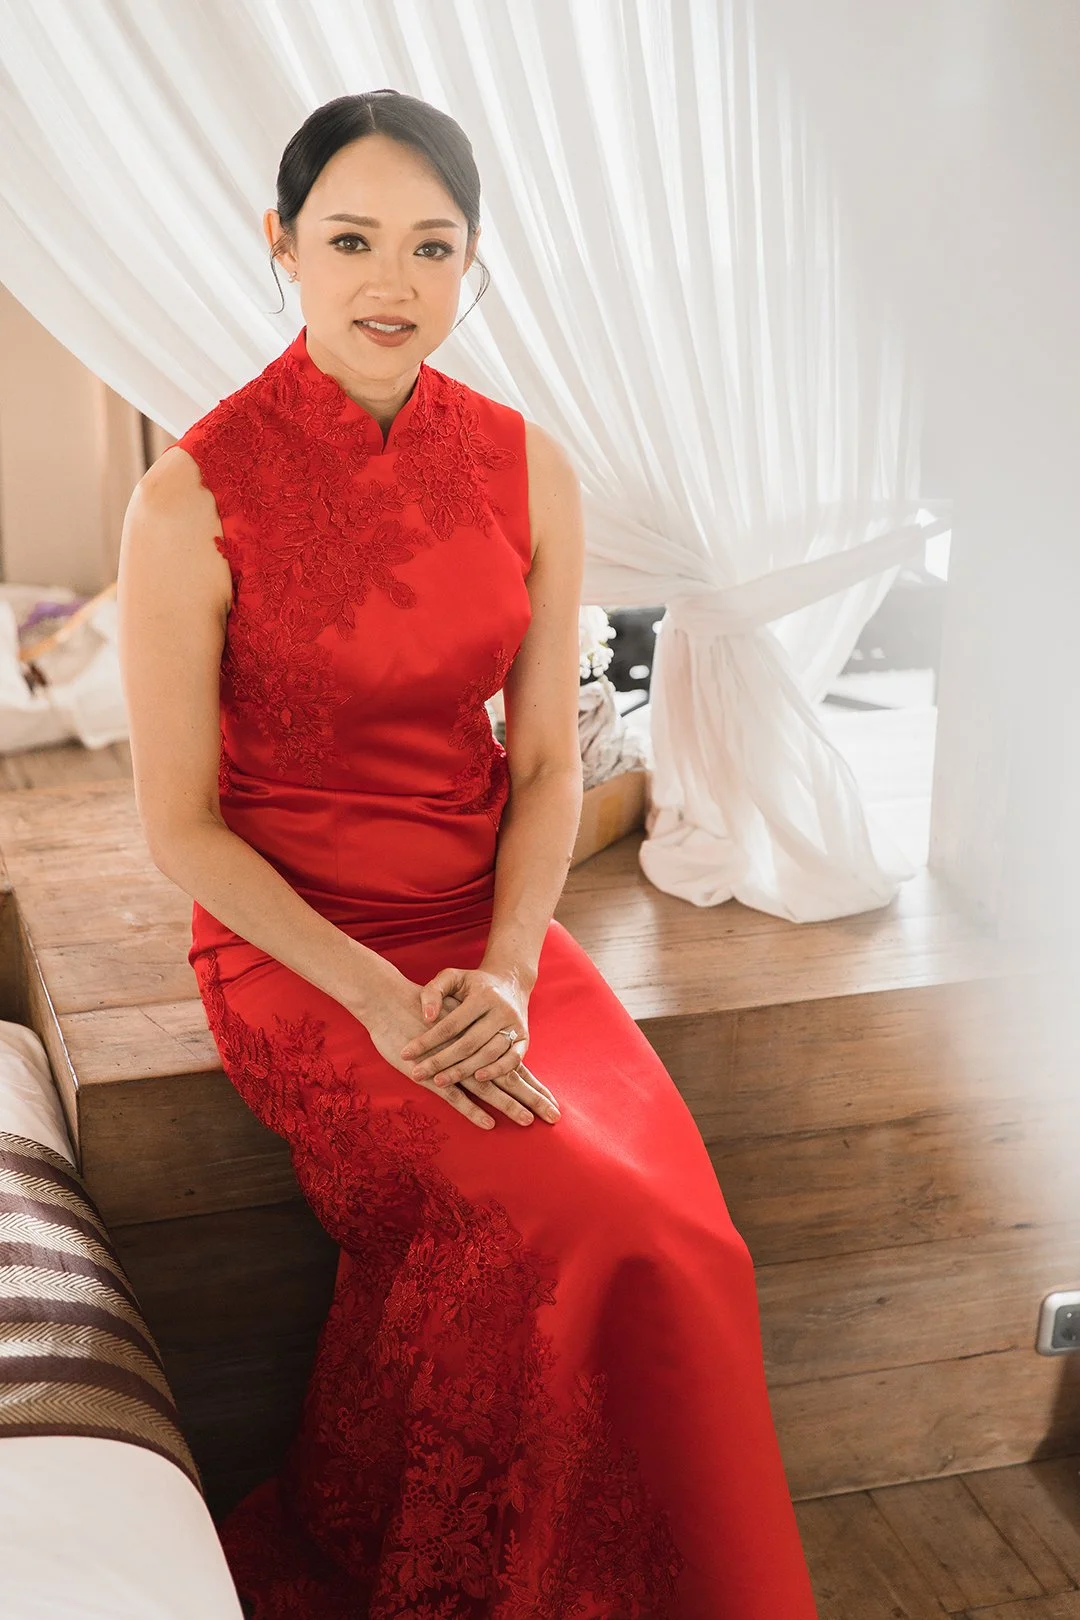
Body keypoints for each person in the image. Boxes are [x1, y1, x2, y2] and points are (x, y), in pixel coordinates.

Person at [117, 88, 819, 1620]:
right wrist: (378, 1000)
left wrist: (503, 968)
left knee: (684, 1234)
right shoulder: (189, 501)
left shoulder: (525, 466)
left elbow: (554, 760)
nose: (393, 283)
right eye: (353, 240)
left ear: (472, 262)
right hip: (295, 948)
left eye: (432, 248)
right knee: (566, 1213)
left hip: (488, 930)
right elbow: (180, 827)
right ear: (281, 247)